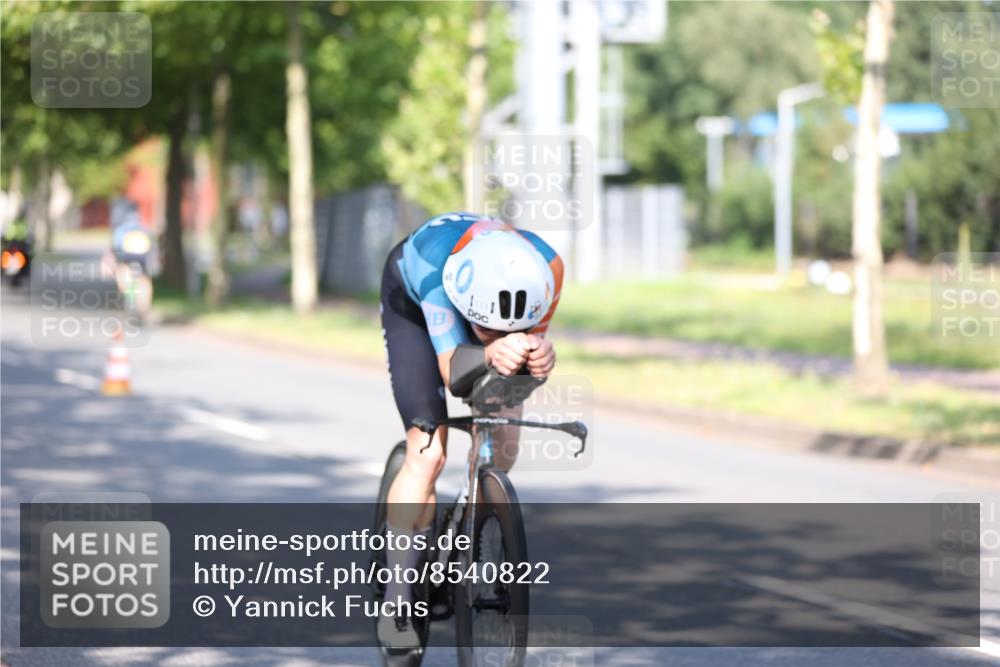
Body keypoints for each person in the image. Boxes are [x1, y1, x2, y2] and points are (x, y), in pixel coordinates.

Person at [377, 212, 563, 648]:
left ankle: (478, 531)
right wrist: (489, 349)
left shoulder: (548, 271)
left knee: (505, 437)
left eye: (508, 329)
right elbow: (453, 376)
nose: (495, 336)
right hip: (415, 303)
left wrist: (537, 359)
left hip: (485, 296)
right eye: (486, 330)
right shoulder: (439, 279)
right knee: (427, 453)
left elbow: (518, 372)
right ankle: (399, 599)